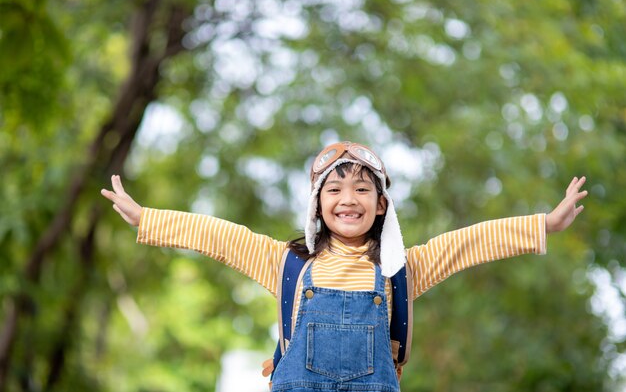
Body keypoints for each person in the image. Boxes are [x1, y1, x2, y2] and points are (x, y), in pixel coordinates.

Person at [100, 141, 587, 392]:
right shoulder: (287, 264)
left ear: (381, 206)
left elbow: (471, 242)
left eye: (361, 190)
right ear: (316, 205)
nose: (347, 200)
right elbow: (219, 236)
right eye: (333, 190)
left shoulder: (401, 269)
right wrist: (149, 219)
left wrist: (544, 224)